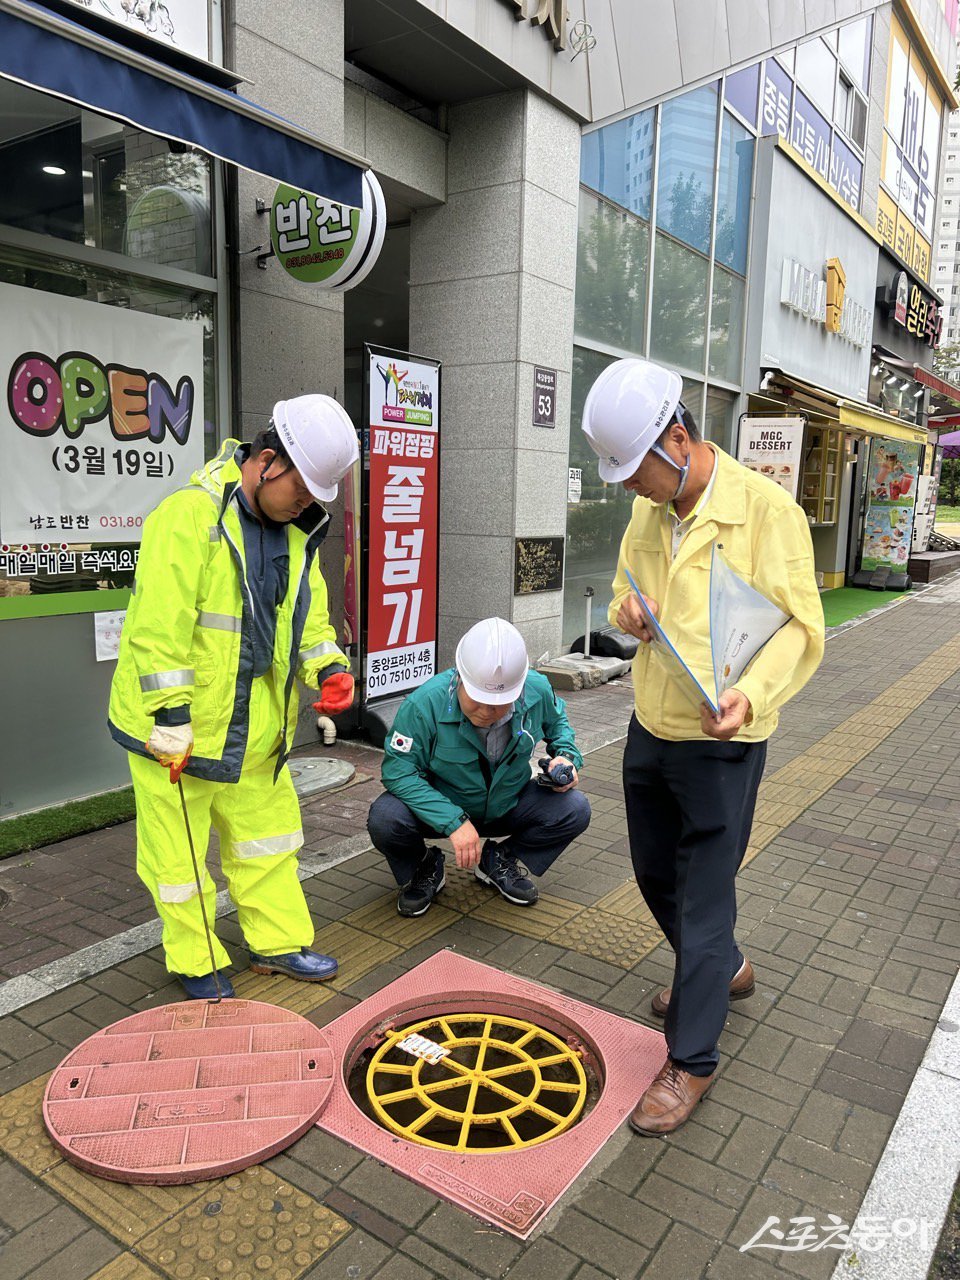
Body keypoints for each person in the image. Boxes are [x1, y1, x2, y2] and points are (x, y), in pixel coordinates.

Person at [581, 358, 824, 1134]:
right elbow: (626, 587)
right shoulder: (649, 514)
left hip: (723, 740)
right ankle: (723, 969)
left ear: (678, 439)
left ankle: (690, 1061)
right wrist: (629, 612)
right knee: (655, 873)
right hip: (651, 725)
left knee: (704, 893)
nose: (629, 487)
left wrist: (750, 694)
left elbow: (800, 627)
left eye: (635, 470)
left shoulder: (766, 512)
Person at [108, 395, 359, 1000]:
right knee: (181, 857)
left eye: (316, 498)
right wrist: (170, 721)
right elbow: (155, 631)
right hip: (179, 728)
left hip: (256, 729)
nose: (307, 504)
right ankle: (194, 959)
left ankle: (276, 944)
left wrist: (328, 667)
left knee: (267, 842)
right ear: (266, 461)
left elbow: (311, 625)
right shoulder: (189, 517)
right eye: (301, 490)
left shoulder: (297, 536)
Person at [367, 617, 591, 916]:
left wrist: (567, 757)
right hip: (444, 806)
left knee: (574, 808)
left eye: (500, 703)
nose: (487, 712)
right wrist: (452, 821)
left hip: (507, 803)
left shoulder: (536, 689)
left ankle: (499, 860)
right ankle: (424, 865)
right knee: (385, 818)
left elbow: (559, 724)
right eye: (478, 699)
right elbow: (399, 771)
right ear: (460, 677)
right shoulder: (424, 704)